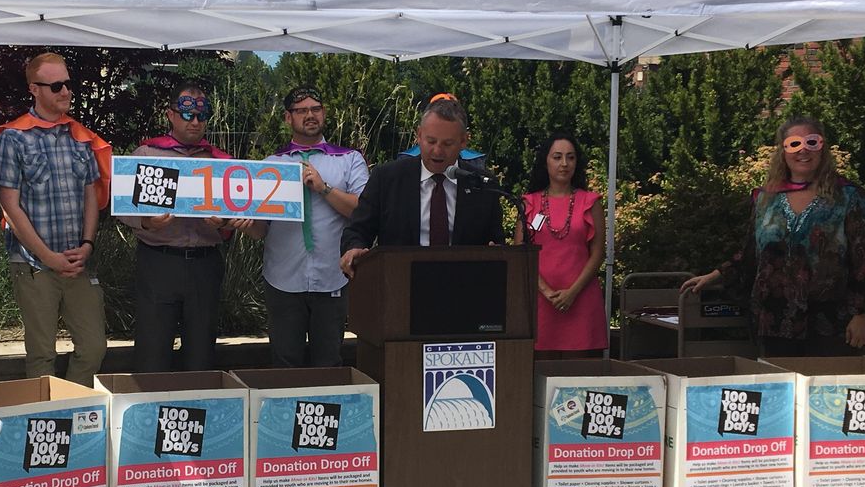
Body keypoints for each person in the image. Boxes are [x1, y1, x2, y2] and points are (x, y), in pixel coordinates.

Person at [681, 117, 865, 355]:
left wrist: (862, 315)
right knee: (780, 390)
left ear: (823, 148)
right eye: (794, 144)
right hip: (773, 322)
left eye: (811, 142)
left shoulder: (848, 197)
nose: (803, 151)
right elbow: (750, 253)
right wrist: (716, 275)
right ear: (783, 151)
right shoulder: (766, 199)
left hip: (831, 324)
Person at [0, 52, 112, 384]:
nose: (66, 92)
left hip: (77, 262)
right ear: (34, 89)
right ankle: (47, 426)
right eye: (56, 85)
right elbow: (9, 206)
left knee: (93, 347)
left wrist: (87, 245)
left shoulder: (79, 136)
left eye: (68, 84)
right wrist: (48, 257)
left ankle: (71, 415)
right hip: (34, 265)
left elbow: (91, 193)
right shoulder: (13, 137)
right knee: (42, 354)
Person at [236, 87, 369, 367]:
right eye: (302, 110)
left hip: (332, 278)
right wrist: (246, 227)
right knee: (285, 363)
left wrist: (324, 189)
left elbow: (362, 212)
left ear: (324, 114)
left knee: (328, 362)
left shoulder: (348, 159)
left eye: (316, 109)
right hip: (283, 279)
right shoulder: (271, 165)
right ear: (287, 118)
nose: (310, 115)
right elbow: (262, 229)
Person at [118, 83, 244, 371]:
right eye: (187, 115)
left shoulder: (221, 162)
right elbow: (122, 207)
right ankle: (149, 410)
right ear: (171, 115)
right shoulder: (147, 155)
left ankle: (197, 411)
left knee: (201, 352)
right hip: (158, 261)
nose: (195, 122)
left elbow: (238, 215)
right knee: (152, 349)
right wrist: (146, 221)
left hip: (205, 263)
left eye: (202, 116)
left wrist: (224, 222)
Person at [340, 97, 505, 277]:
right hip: (400, 286)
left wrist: (496, 251)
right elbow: (357, 230)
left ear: (464, 141)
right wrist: (353, 248)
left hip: (464, 288)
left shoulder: (482, 184)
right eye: (431, 141)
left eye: (447, 144)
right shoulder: (387, 178)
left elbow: (495, 241)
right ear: (418, 135)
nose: (437, 151)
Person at [512, 132, 606, 356]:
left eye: (570, 157)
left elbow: (598, 252)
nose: (564, 164)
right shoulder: (529, 203)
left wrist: (572, 293)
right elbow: (520, 252)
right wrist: (547, 292)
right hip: (540, 302)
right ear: (545, 161)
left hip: (581, 300)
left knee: (581, 380)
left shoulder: (590, 201)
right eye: (557, 157)